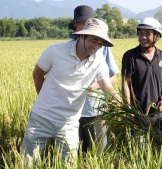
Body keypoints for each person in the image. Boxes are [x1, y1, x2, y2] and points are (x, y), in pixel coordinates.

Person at [21, 18, 120, 165]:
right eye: (94, 40)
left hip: (69, 123)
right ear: (81, 35)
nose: (96, 46)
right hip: (41, 118)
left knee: (68, 163)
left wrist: (117, 99)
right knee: (28, 162)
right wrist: (44, 99)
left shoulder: (99, 61)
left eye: (100, 43)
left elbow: (107, 86)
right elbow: (37, 74)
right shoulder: (55, 51)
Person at [69, 5, 119, 155]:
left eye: (89, 22)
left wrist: (94, 86)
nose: (86, 25)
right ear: (75, 25)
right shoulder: (66, 48)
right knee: (76, 151)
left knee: (98, 150)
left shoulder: (102, 47)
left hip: (96, 108)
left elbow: (113, 77)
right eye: (82, 22)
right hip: (72, 111)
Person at [121, 17, 162, 116]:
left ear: (156, 36)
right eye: (141, 33)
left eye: (148, 34)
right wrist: (129, 107)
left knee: (157, 131)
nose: (143, 37)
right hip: (136, 111)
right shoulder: (130, 56)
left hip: (156, 109)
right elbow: (126, 82)